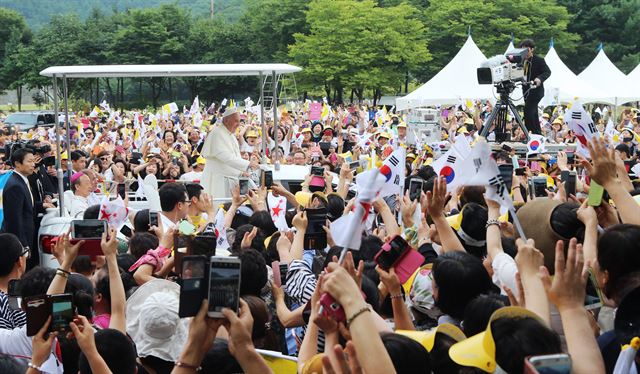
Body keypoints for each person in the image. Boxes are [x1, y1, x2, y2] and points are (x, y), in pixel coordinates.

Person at [201, 108, 250, 198]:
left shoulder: (231, 135)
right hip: (218, 180)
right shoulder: (217, 133)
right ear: (227, 121)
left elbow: (235, 157)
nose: (238, 124)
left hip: (230, 179)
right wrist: (248, 165)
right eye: (236, 121)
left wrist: (241, 172)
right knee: (219, 208)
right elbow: (225, 157)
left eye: (239, 121)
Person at [2, 148, 38, 252]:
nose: (33, 165)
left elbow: (26, 206)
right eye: (29, 161)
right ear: (17, 163)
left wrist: (42, 205)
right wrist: (23, 246)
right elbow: (14, 220)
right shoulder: (15, 185)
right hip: (21, 242)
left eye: (34, 161)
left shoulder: (23, 180)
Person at [520, 39, 551, 135]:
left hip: (536, 91)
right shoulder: (521, 61)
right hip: (526, 91)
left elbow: (547, 72)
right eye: (523, 50)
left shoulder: (539, 60)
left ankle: (530, 132)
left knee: (528, 110)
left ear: (532, 49)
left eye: (527, 49)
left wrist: (539, 79)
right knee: (533, 112)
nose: (525, 52)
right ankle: (536, 133)